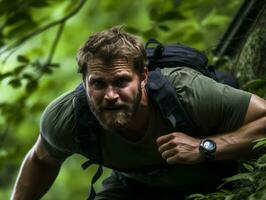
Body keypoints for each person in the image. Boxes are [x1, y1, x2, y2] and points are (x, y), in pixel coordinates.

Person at [11, 27, 266, 200]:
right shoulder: (67, 118)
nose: (110, 95)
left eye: (121, 82)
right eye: (98, 84)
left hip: (215, 182)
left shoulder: (187, 92)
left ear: (143, 76)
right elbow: (42, 159)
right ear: (84, 81)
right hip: (135, 188)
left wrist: (205, 147)